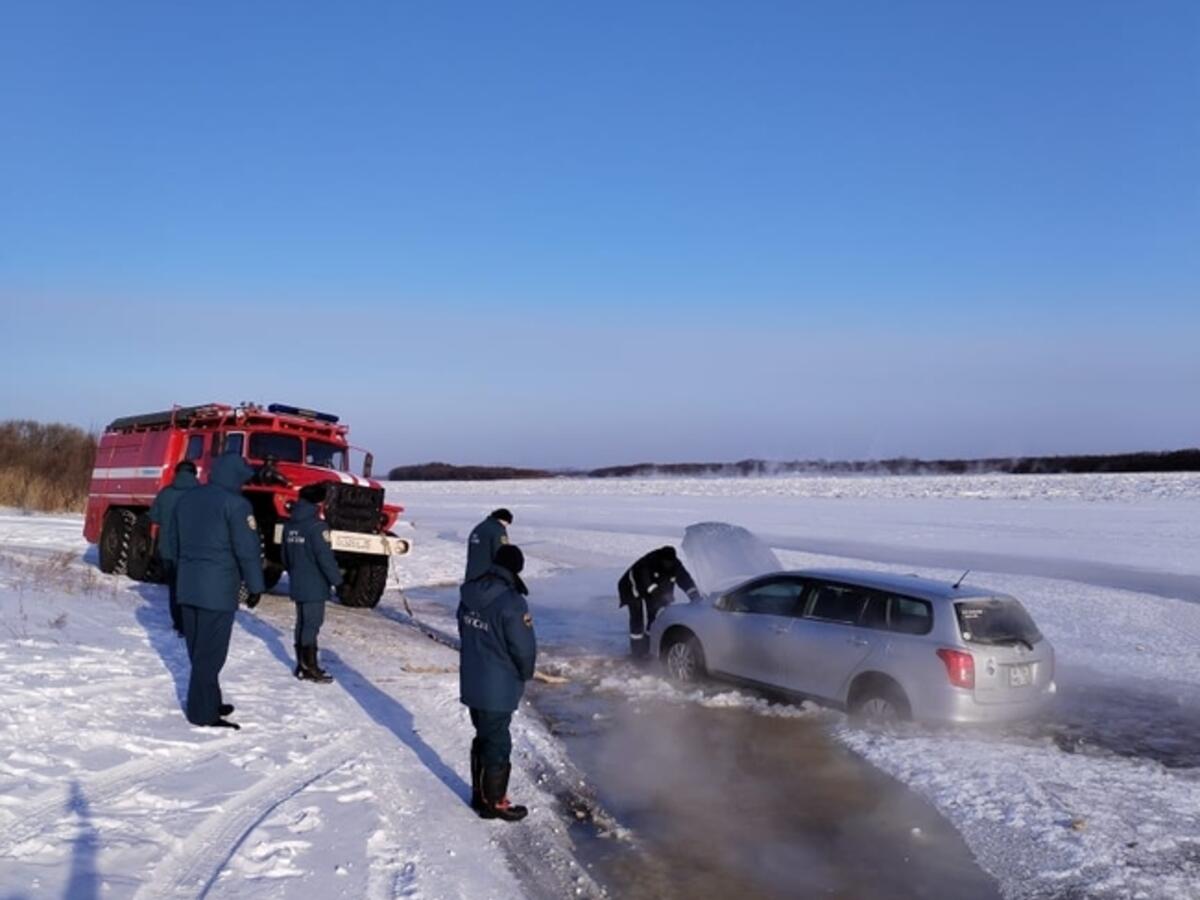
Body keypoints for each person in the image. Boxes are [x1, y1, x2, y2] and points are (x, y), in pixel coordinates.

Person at [162, 453, 265, 730]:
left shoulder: (188, 498)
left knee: (198, 651)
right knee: (211, 655)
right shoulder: (237, 505)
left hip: (187, 585)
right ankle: (201, 713)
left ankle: (210, 701)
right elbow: (248, 551)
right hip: (217, 591)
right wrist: (255, 586)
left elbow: (172, 541)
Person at [458, 543, 536, 822]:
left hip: (473, 679)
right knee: (497, 743)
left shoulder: (469, 593)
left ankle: (480, 795)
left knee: (484, 737)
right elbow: (523, 648)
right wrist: (526, 672)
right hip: (497, 685)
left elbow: (463, 629)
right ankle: (494, 803)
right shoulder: (512, 602)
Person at [282, 483, 343, 683]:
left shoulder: (290, 525)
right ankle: (310, 667)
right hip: (315, 584)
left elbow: (285, 556)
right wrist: (337, 580)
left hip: (298, 581)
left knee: (301, 623)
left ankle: (302, 664)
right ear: (319, 502)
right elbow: (325, 558)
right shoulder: (317, 527)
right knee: (312, 625)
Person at [618, 546, 701, 660]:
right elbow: (646, 582)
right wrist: (662, 597)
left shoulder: (676, 565)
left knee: (654, 618)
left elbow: (685, 580)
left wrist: (694, 595)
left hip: (651, 588)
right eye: (666, 562)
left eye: (671, 562)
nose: (669, 565)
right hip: (631, 587)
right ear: (661, 560)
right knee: (637, 618)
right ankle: (637, 653)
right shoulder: (649, 562)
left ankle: (647, 648)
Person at [148, 460, 198, 635]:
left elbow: (154, 517)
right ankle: (189, 624)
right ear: (195, 474)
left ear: (176, 473)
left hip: (168, 550)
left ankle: (178, 623)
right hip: (193, 552)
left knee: (174, 588)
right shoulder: (201, 494)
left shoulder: (165, 493)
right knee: (191, 588)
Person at [464, 508, 513, 583]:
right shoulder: (498, 530)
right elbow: (502, 554)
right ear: (504, 520)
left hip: (472, 577)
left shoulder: (479, 527)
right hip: (488, 579)